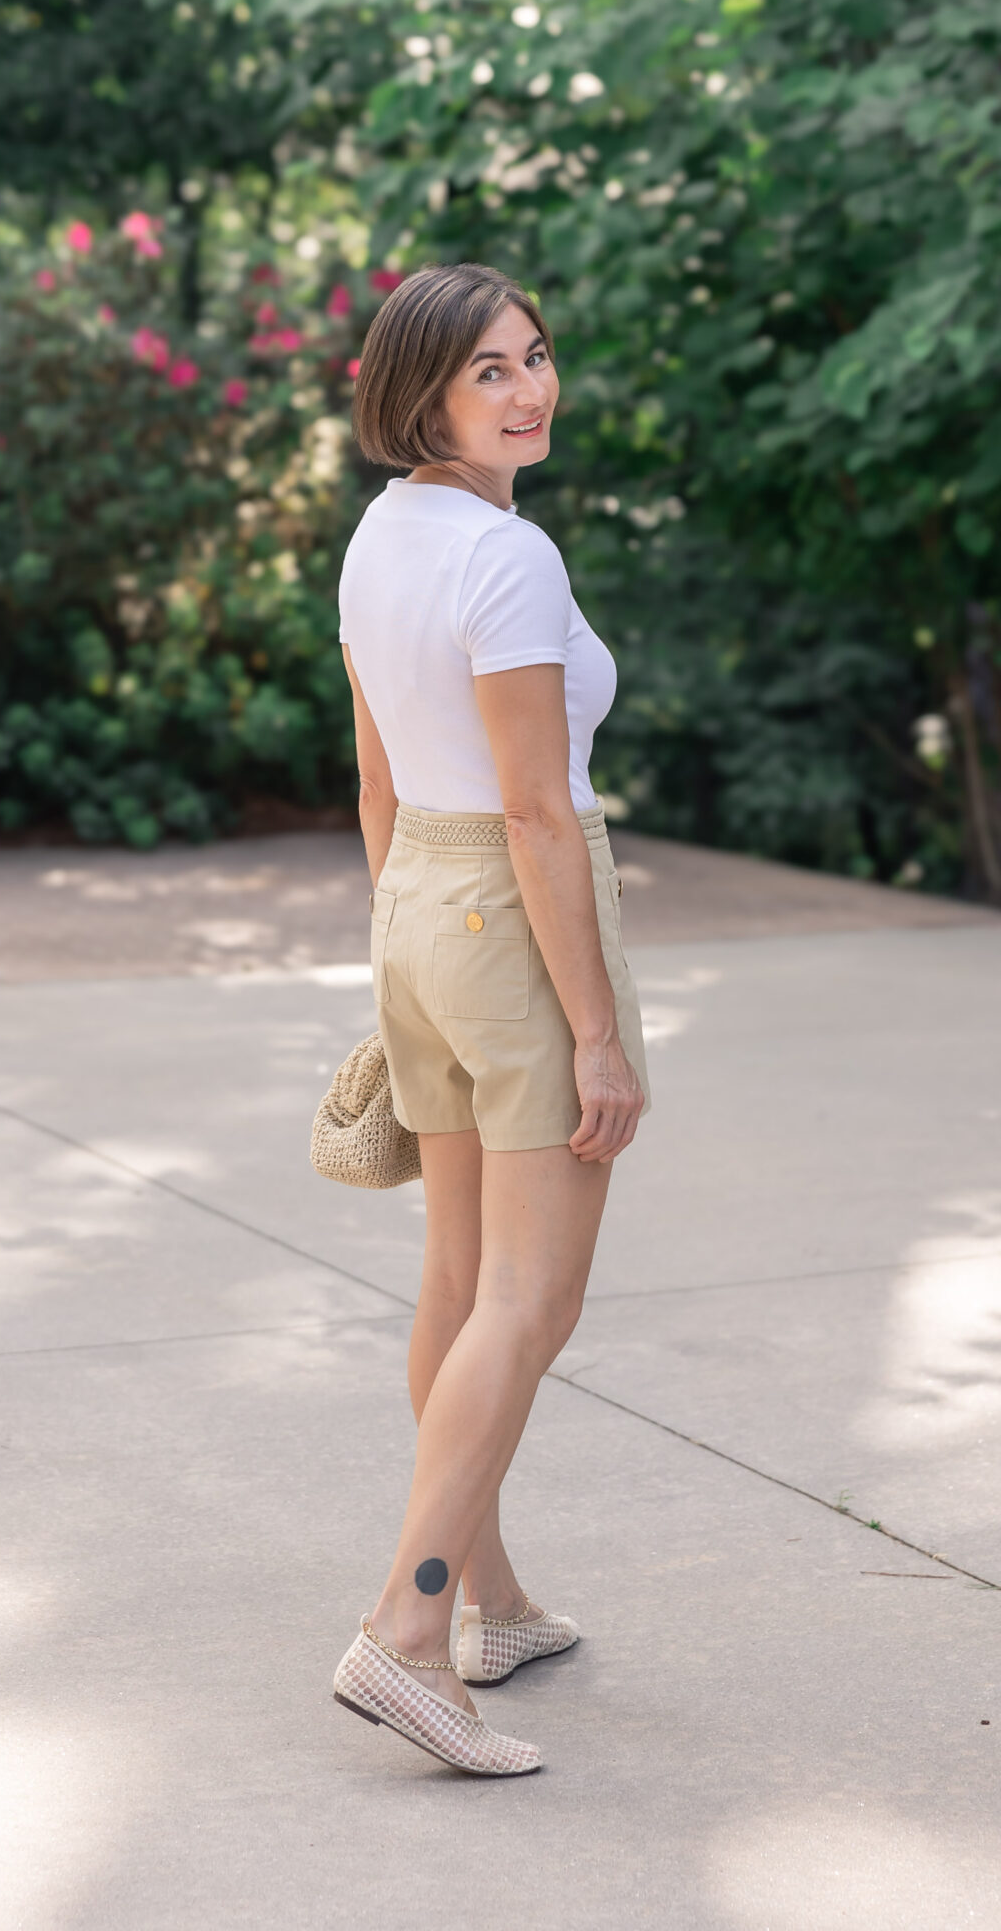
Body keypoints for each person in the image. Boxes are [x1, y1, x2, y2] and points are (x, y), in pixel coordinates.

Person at [329, 262, 649, 1777]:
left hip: (418, 905)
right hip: (511, 920)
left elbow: (379, 784)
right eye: (489, 372)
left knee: (460, 1282)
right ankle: (408, 1624)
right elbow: (535, 811)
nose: (529, 391)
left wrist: (409, 947)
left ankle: (489, 1603)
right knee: (530, 1299)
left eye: (535, 356)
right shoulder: (508, 560)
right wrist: (595, 1030)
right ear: (424, 396)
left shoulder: (379, 539)